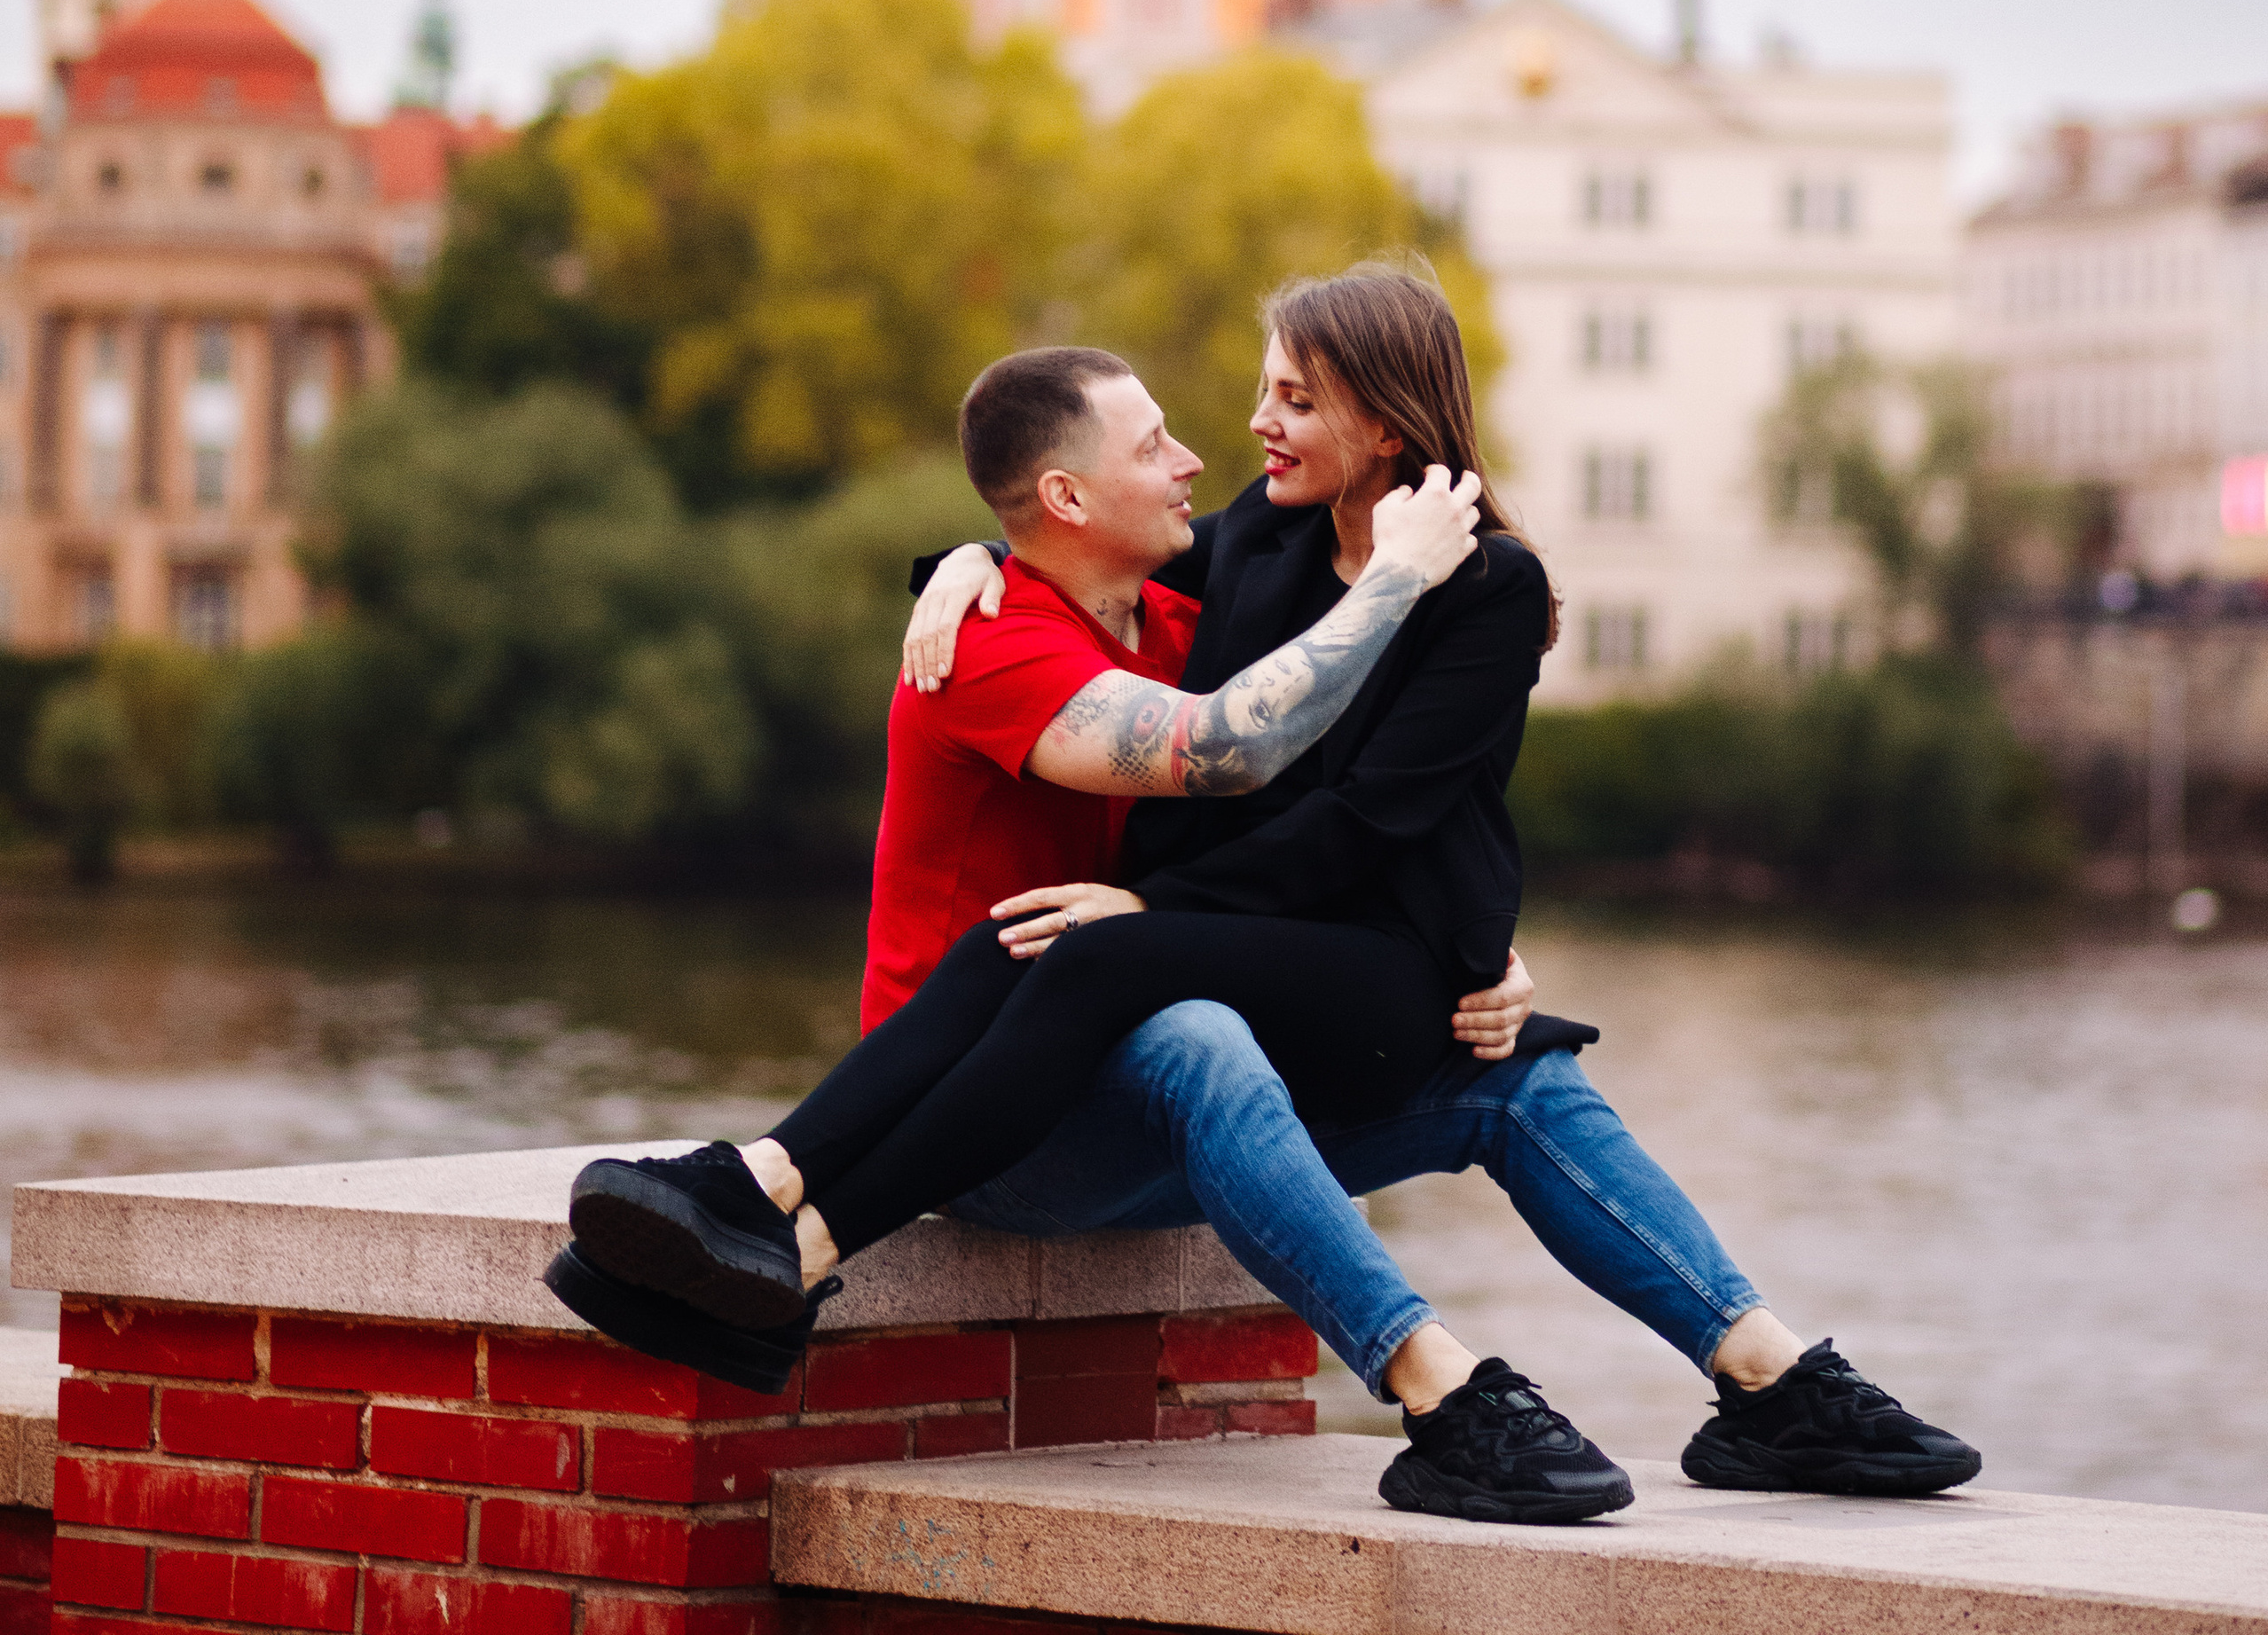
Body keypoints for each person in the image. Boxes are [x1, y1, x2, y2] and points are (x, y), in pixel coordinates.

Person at [553, 267, 1981, 1521]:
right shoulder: (1261, 549)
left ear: (1384, 416)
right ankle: (1436, 1387)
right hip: (1052, 1075)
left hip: (1347, 962)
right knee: (1134, 987)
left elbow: (1373, 817)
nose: (1245, 433)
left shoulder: (1480, 587)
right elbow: (1102, 605)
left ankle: (1775, 1378)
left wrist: (1228, 922)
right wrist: (965, 560)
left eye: (1293, 399)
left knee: (1503, 1078)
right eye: (1246, 402)